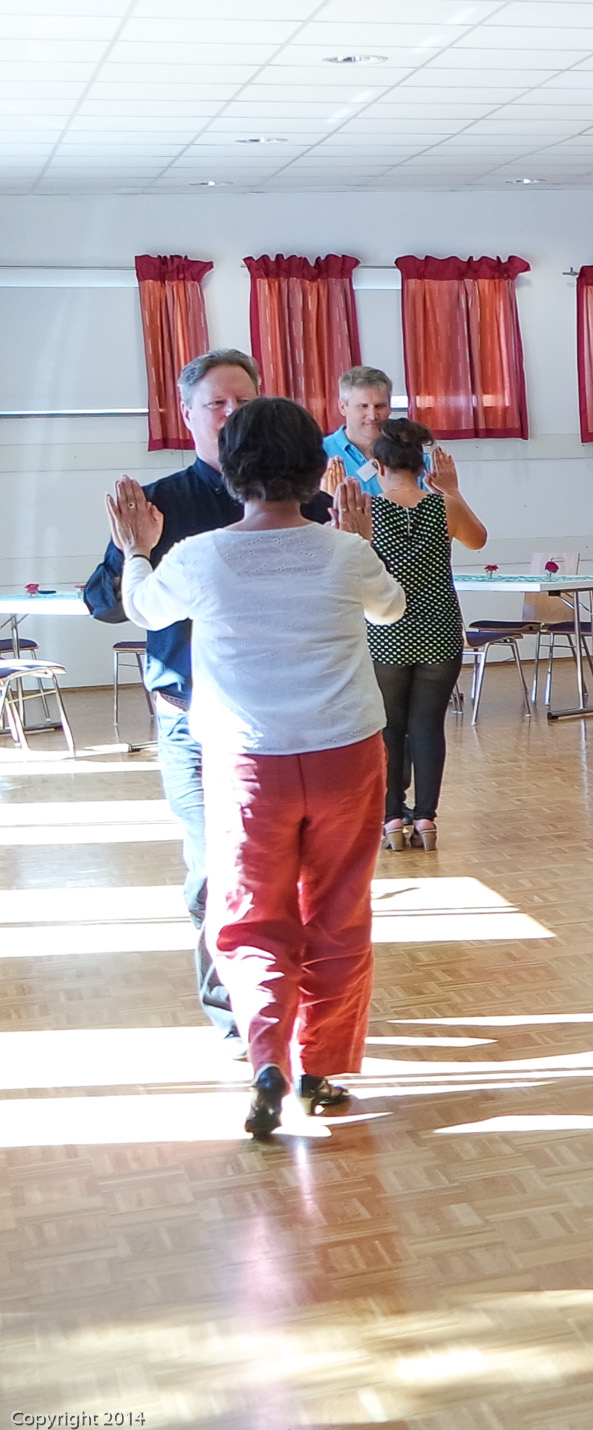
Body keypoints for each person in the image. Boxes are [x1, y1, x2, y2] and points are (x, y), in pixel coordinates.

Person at [107, 396, 404, 1136]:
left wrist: (137, 548)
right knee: (338, 912)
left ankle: (267, 1060)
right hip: (345, 755)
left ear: (232, 470)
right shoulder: (344, 552)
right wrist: (360, 539)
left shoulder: (200, 555)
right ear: (313, 468)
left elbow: (143, 609)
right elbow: (391, 610)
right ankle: (321, 1069)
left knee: (249, 918)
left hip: (248, 762)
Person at [83, 349, 331, 1058]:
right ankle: (236, 1018)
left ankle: (294, 1004)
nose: (229, 415)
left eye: (242, 402)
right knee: (216, 870)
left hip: (286, 723)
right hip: (193, 722)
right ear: (187, 415)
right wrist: (134, 548)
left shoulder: (305, 502)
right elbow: (104, 605)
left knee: (293, 875)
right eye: (215, 403)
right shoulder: (161, 503)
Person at [362, 418, 488, 852]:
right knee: (428, 725)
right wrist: (452, 490)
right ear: (422, 465)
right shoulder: (443, 506)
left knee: (388, 727)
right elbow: (478, 540)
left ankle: (392, 819)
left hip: (385, 633)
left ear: (379, 466)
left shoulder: (368, 510)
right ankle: (427, 820)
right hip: (440, 630)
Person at [322, 365, 396, 496]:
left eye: (380, 406)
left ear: (390, 408)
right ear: (343, 407)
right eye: (363, 406)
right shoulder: (318, 453)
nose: (372, 416)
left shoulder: (409, 451)